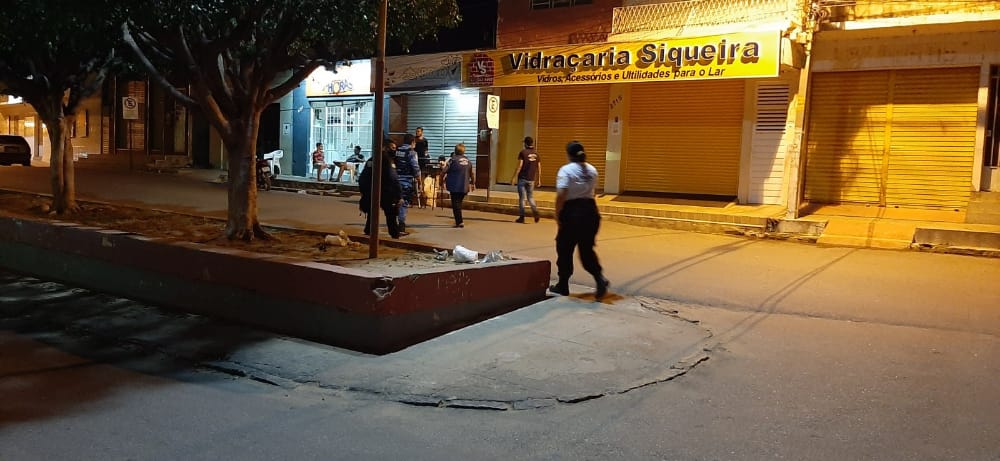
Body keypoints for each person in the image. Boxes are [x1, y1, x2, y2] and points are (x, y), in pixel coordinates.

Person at [549, 141, 610, 300]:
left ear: (568, 154)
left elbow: (561, 195)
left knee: (564, 249)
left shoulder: (566, 170)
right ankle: (599, 279)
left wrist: (557, 214)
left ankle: (563, 285)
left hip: (572, 213)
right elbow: (593, 191)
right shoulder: (592, 169)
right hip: (590, 212)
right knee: (586, 250)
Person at [359, 139, 403, 239]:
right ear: (385, 147)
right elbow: (393, 178)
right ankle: (394, 233)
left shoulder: (371, 159)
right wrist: (399, 194)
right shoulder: (388, 161)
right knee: (391, 214)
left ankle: (369, 230)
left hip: (372, 192)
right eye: (392, 148)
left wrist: (363, 191)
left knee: (372, 212)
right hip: (386, 192)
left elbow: (363, 177)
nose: (394, 150)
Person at [393, 133, 422, 233]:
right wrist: (419, 181)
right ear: (412, 142)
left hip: (395, 180)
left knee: (395, 202)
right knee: (403, 203)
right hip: (406, 181)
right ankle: (401, 226)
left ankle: (393, 223)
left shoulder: (397, 151)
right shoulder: (411, 153)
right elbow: (415, 167)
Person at [443, 143, 475, 228]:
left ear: (455, 151)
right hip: (464, 186)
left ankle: (459, 221)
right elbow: (472, 174)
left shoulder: (452, 160)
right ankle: (458, 220)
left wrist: (440, 181)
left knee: (455, 203)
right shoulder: (468, 161)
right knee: (458, 203)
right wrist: (473, 183)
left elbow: (444, 171)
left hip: (454, 186)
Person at [511, 136, 541, 223]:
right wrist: (539, 179)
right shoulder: (536, 154)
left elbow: (520, 165)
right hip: (531, 179)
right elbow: (539, 167)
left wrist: (514, 177)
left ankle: (522, 217)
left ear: (526, 144)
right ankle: (535, 211)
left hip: (522, 178)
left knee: (522, 198)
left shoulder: (523, 153)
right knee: (530, 197)